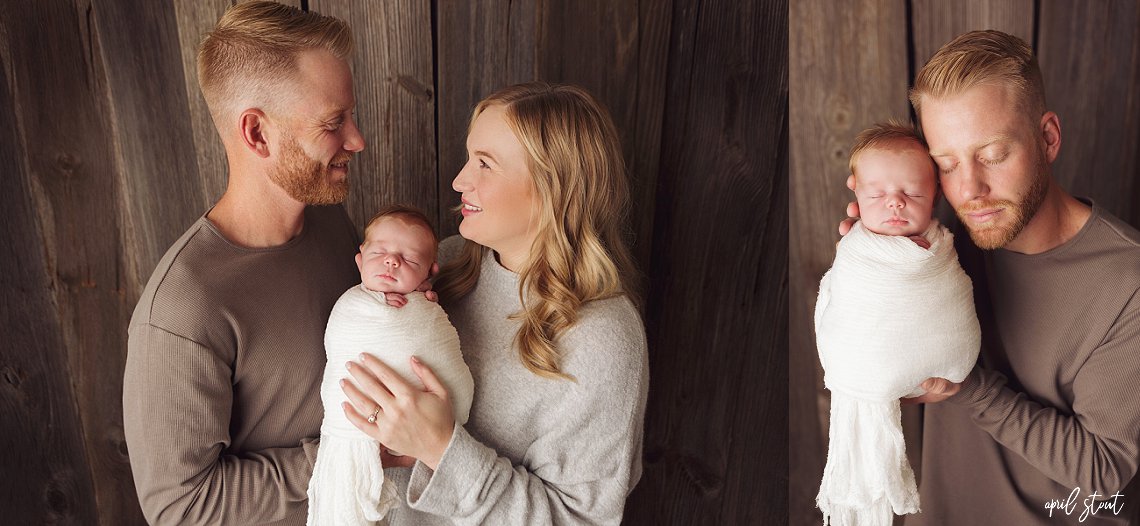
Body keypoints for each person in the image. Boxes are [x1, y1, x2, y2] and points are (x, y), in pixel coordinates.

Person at [839, 30, 1140, 524]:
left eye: (993, 155)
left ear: (1047, 138)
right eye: (947, 164)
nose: (971, 189)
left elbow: (1104, 467)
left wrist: (969, 387)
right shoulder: (939, 247)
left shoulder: (1126, 283)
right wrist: (874, 270)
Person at [337, 82, 649, 525]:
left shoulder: (602, 336)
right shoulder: (437, 266)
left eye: (485, 164)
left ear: (552, 189)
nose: (460, 181)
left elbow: (580, 520)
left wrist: (443, 448)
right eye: (470, 157)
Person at [122, 3, 366, 524]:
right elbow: (180, 507)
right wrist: (362, 452)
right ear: (257, 133)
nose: (357, 140)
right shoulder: (182, 309)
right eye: (333, 122)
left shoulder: (329, 220)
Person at [815, 122, 979, 525]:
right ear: (855, 188)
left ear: (936, 195)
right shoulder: (856, 249)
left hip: (946, 376)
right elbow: (841, 300)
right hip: (865, 360)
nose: (895, 203)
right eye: (878, 193)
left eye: (912, 193)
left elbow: (952, 296)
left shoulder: (941, 247)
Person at [308, 206, 473, 524]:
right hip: (356, 430)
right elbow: (342, 339)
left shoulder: (425, 300)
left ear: (428, 273)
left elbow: (434, 343)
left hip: (431, 432)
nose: (392, 261)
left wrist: (419, 305)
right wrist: (378, 303)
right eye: (380, 252)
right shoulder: (351, 304)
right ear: (360, 260)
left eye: (409, 259)